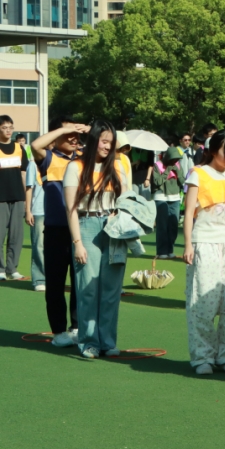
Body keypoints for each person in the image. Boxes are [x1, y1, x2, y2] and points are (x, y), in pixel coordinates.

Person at [64, 120, 130, 359]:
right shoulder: (75, 167)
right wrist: (77, 243)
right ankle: (89, 342)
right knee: (88, 289)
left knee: (112, 290)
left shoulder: (118, 166)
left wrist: (118, 214)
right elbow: (71, 209)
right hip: (87, 227)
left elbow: (127, 201)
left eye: (111, 142)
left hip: (114, 230)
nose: (107, 146)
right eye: (104, 141)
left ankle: (108, 341)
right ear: (93, 140)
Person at [182, 130, 225, 375]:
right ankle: (202, 357)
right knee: (203, 303)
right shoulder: (198, 174)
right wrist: (189, 244)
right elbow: (189, 213)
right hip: (205, 242)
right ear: (212, 150)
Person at [30, 118, 87, 346]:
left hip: (81, 230)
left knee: (80, 282)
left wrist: (88, 130)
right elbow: (35, 145)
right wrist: (63, 129)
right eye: (68, 134)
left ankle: (77, 327)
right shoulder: (48, 157)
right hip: (55, 230)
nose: (74, 138)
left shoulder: (83, 159)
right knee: (55, 283)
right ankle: (59, 331)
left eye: (76, 134)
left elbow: (110, 145)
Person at [0, 115, 28, 280]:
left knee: (16, 236)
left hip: (18, 197)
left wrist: (26, 198)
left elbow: (23, 174)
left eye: (10, 127)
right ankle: (0, 270)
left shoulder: (19, 148)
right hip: (1, 198)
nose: (8, 131)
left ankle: (12, 268)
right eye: (4, 127)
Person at [150, 146, 184, 259]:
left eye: (176, 159)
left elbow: (183, 181)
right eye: (173, 159)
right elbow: (157, 182)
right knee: (162, 226)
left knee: (173, 225)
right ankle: (162, 251)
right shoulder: (158, 165)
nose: (174, 161)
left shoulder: (178, 165)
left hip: (175, 198)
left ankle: (170, 250)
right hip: (161, 197)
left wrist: (177, 172)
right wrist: (167, 170)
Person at [25, 154, 46, 291]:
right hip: (39, 210)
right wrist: (28, 210)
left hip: (59, 211)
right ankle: (40, 279)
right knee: (39, 245)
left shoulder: (62, 161)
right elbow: (29, 188)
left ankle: (55, 279)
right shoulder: (33, 164)